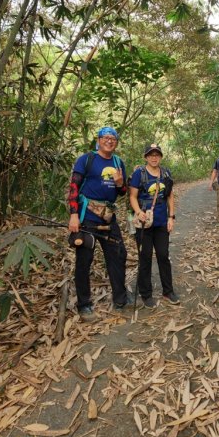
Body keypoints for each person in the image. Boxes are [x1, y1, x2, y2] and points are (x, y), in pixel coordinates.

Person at [68, 126, 132, 322]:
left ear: (116, 142)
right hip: (87, 217)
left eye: (113, 138)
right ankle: (84, 305)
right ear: (99, 140)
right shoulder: (86, 160)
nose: (109, 141)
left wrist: (121, 183)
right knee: (84, 260)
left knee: (118, 255)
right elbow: (74, 187)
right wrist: (73, 215)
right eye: (105, 137)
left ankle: (120, 299)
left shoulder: (118, 162)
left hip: (108, 217)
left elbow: (122, 192)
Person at [129, 143, 179, 309]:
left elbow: (170, 196)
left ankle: (168, 290)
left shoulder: (166, 173)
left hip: (161, 222)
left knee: (163, 256)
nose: (154, 157)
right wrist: (138, 212)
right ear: (146, 157)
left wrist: (171, 217)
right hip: (144, 225)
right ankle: (146, 293)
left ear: (161, 156)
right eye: (151, 155)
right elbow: (133, 196)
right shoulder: (139, 174)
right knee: (145, 257)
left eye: (157, 154)